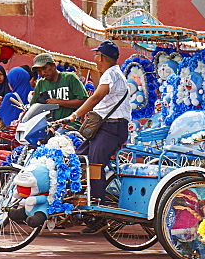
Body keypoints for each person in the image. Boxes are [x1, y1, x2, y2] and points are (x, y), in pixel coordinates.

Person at [62, 41, 131, 233]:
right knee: (78, 158)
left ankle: (98, 213)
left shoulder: (111, 74)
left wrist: (74, 115)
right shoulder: (114, 74)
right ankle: (78, 200)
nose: (95, 60)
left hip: (111, 128)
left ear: (101, 57)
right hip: (103, 127)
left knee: (95, 166)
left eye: (96, 56)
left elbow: (95, 97)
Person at [30, 53, 88, 121]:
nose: (43, 73)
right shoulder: (41, 83)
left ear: (54, 65)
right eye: (39, 71)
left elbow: (84, 101)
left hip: (69, 125)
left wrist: (59, 102)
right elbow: (33, 106)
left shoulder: (69, 78)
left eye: (45, 68)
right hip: (48, 126)